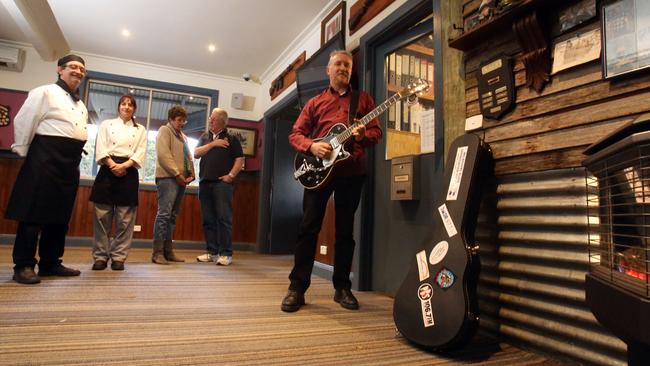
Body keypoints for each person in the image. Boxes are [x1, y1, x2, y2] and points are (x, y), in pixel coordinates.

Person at [281, 50, 382, 312]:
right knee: (308, 228)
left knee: (346, 232)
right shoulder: (314, 102)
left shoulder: (364, 100)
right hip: (318, 173)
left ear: (351, 71)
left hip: (352, 172)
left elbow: (376, 133)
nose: (343, 68)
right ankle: (297, 288)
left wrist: (360, 137)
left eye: (347, 65)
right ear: (328, 70)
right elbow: (295, 134)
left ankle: (342, 288)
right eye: (338, 64)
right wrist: (312, 146)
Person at [6, 54, 89, 284]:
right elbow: (24, 120)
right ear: (59, 70)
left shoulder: (80, 104)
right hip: (44, 157)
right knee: (33, 214)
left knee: (60, 216)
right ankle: (23, 265)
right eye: (73, 67)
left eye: (82, 69)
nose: (78, 71)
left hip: (70, 161)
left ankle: (50, 262)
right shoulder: (44, 92)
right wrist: (23, 150)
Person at [89, 95, 147, 271]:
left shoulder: (141, 129)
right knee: (102, 217)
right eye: (124, 104)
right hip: (108, 168)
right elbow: (100, 146)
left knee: (125, 220)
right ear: (118, 107)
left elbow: (141, 151)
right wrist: (113, 165)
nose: (127, 107)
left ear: (134, 109)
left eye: (130, 105)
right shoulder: (107, 124)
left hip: (129, 172)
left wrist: (125, 166)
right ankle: (100, 256)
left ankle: (118, 257)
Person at [193, 108, 244, 266]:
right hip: (205, 183)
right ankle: (211, 252)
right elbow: (196, 153)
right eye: (210, 118)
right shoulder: (205, 137)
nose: (210, 121)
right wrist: (213, 144)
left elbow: (239, 159)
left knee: (224, 219)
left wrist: (231, 176)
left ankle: (226, 254)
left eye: (213, 119)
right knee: (208, 220)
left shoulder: (232, 138)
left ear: (223, 121)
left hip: (222, 184)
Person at [151, 105, 195, 264]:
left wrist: (191, 175)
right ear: (171, 119)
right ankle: (157, 253)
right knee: (164, 215)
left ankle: (168, 252)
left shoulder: (183, 136)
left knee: (172, 217)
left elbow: (188, 156)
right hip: (167, 178)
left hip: (181, 180)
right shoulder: (165, 130)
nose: (182, 123)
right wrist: (177, 174)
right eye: (179, 120)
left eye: (184, 120)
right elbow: (163, 155)